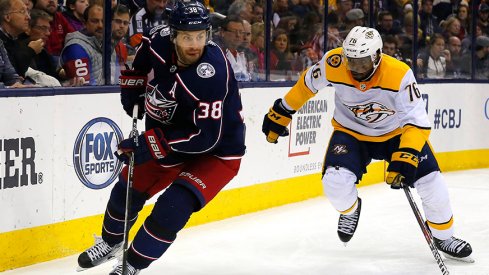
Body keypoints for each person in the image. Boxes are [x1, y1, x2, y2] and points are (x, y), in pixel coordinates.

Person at [262, 26, 473, 263]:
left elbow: (416, 121)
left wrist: (406, 155)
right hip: (352, 132)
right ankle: (350, 210)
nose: (356, 69)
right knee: (334, 182)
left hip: (396, 134)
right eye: (351, 61)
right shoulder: (334, 62)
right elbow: (307, 85)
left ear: (377, 56)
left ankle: (443, 236)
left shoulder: (399, 73)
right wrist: (282, 110)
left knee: (432, 183)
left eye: (362, 63)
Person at [76, 1, 245, 274]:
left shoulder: (212, 74)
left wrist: (148, 144)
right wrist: (133, 89)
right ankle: (111, 242)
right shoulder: (157, 40)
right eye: (187, 37)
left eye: (201, 36)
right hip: (171, 137)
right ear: (173, 33)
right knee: (127, 186)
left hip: (217, 151)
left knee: (173, 207)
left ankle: (131, 265)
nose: (194, 44)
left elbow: (205, 138)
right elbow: (140, 67)